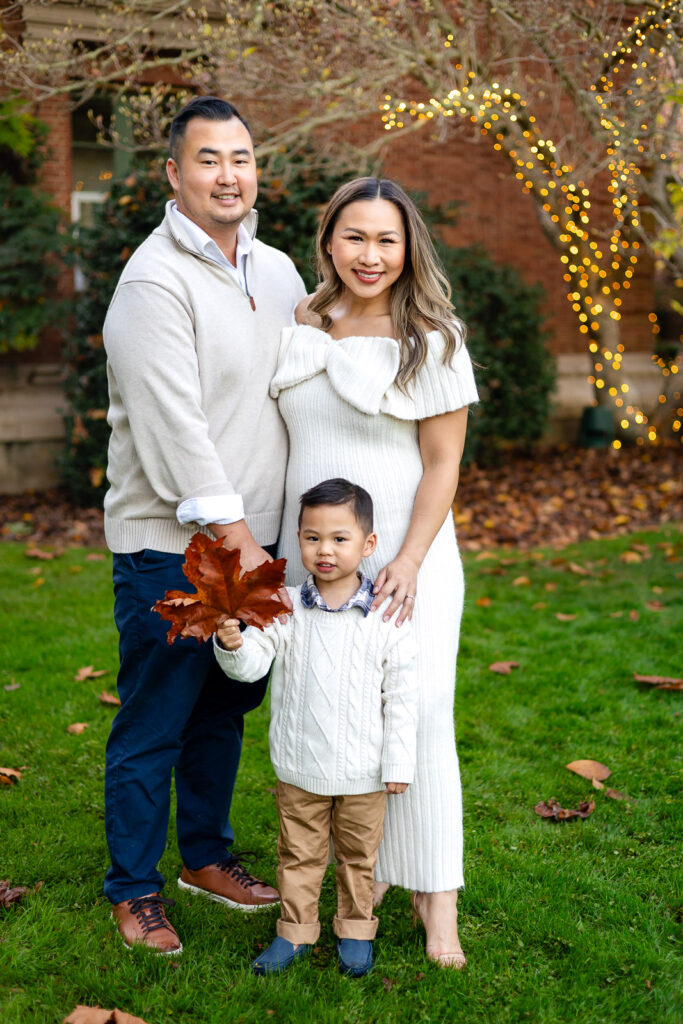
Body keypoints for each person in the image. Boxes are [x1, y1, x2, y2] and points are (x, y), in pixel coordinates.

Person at [101, 95, 306, 954]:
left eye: (242, 158)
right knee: (156, 720)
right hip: (171, 547)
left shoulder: (281, 270)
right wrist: (243, 544)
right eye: (209, 159)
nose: (229, 174)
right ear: (174, 173)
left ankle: (207, 858)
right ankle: (134, 889)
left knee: (225, 713)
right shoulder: (152, 282)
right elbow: (176, 433)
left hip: (258, 543)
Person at [269, 177, 478, 968]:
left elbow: (442, 464)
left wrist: (409, 560)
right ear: (327, 241)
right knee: (339, 723)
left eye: (386, 240)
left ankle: (438, 907)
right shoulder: (305, 320)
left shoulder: (433, 336)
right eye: (354, 237)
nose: (369, 255)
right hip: (317, 560)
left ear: (407, 248)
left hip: (403, 560)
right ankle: (374, 879)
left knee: (417, 720)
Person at [214, 478, 417, 977]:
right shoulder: (283, 607)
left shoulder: (386, 617)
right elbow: (254, 665)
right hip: (300, 764)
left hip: (365, 771)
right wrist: (234, 645)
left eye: (339, 539)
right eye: (311, 537)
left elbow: (403, 697)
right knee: (298, 856)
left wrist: (396, 762)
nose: (324, 550)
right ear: (299, 538)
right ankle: (295, 932)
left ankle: (355, 931)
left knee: (356, 859)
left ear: (368, 545)